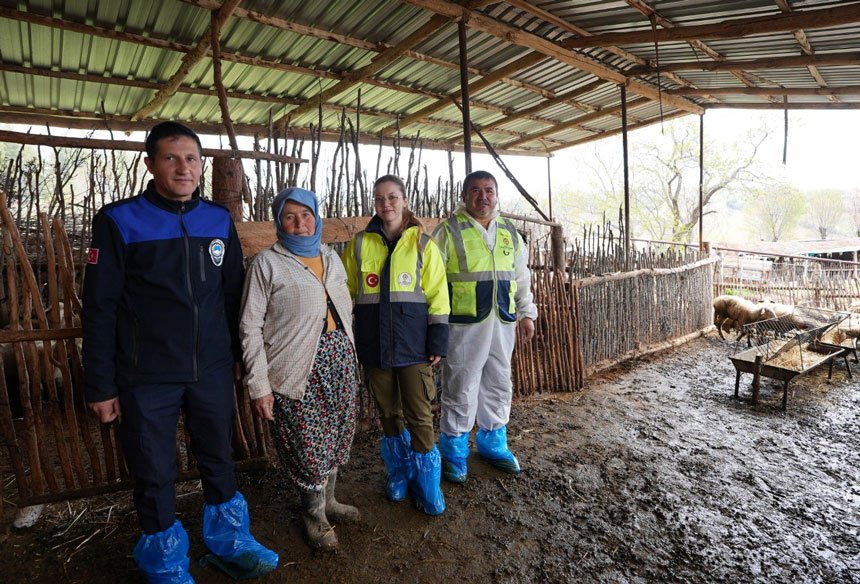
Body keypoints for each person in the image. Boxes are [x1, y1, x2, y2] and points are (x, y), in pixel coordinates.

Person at [82, 121, 277, 582]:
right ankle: (166, 565)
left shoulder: (217, 219)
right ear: (150, 164)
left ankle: (231, 542)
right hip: (146, 373)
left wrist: (236, 356)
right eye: (171, 158)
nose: (183, 167)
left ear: (201, 165)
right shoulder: (119, 221)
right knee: (153, 468)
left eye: (191, 159)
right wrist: (101, 385)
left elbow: (232, 295)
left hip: (211, 367)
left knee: (219, 455)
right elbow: (99, 307)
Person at [240, 187, 360, 551]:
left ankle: (329, 501)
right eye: (290, 217)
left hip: (339, 362)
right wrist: (259, 385)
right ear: (279, 222)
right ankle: (314, 515)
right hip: (295, 369)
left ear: (316, 217)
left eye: (306, 215)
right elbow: (249, 326)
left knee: (337, 436)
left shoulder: (331, 257)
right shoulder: (267, 264)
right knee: (308, 446)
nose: (300, 223)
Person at [342, 175, 450, 516]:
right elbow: (345, 292)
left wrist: (437, 339)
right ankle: (400, 473)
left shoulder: (423, 244)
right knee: (388, 413)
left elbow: (438, 296)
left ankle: (428, 484)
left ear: (404, 200)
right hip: (375, 345)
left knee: (420, 414)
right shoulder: (359, 244)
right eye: (379, 198)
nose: (386, 204)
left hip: (414, 346)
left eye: (392, 197)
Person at [432, 170, 538, 483]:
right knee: (461, 383)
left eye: (489, 190)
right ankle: (454, 450)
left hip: (502, 321)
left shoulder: (509, 232)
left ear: (496, 194)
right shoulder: (448, 231)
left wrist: (527, 313)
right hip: (463, 324)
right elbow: (432, 281)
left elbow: (521, 277)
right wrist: (434, 324)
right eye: (475, 190)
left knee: (499, 380)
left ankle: (494, 442)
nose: (483, 197)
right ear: (464, 196)